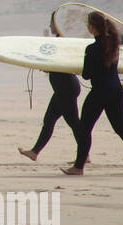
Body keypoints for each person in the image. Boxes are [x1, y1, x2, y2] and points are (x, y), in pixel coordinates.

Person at [63, 11, 123, 175]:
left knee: (85, 129)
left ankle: (78, 167)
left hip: (99, 92)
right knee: (121, 128)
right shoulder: (115, 43)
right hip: (116, 90)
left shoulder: (92, 48)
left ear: (93, 27)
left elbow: (86, 74)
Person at [20, 13, 82, 161]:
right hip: (63, 89)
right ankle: (34, 152)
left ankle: (84, 155)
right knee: (50, 120)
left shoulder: (63, 42)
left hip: (66, 88)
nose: (50, 26)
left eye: (52, 23)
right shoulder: (59, 41)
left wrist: (48, 67)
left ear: (59, 24)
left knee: (74, 123)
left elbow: (62, 64)